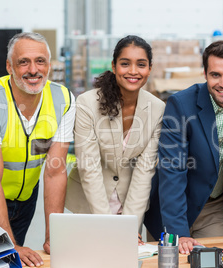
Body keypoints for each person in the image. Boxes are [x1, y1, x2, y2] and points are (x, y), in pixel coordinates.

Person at [145, 40, 223, 254]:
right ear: (205, 74)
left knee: (222, 260)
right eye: (215, 75)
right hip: (172, 207)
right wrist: (177, 231)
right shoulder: (181, 105)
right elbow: (172, 170)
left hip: (213, 207)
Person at [0, 32, 75, 266]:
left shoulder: (63, 99)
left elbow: (54, 172)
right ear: (9, 66)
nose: (33, 70)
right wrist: (10, 245)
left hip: (25, 197)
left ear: (49, 65)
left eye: (40, 61)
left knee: (16, 263)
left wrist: (54, 235)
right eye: (24, 62)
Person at [65, 35, 165, 243]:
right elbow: (88, 167)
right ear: (113, 65)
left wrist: (128, 226)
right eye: (125, 63)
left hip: (130, 204)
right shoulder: (87, 103)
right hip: (89, 206)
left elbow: (144, 171)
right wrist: (108, 226)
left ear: (149, 68)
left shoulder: (157, 108)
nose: (133, 71)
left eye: (141, 64)